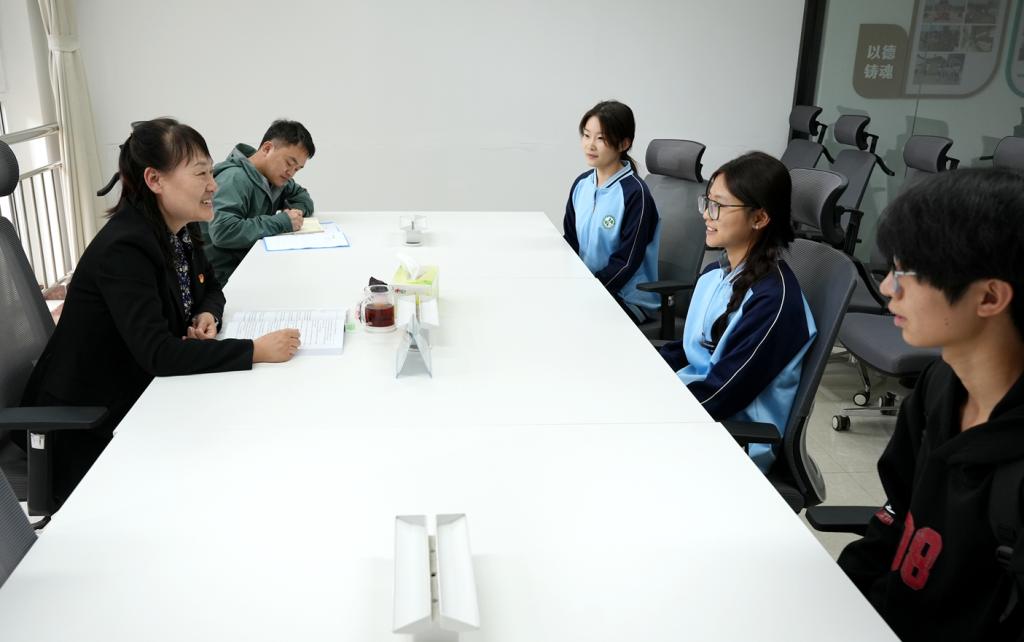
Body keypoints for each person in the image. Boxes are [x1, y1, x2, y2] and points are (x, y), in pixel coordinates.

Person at [19, 118, 300, 506]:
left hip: (144, 397)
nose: (214, 185)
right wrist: (254, 350)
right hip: (89, 425)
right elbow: (159, 354)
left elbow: (211, 287)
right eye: (200, 173)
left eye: (210, 172)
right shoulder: (126, 249)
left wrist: (207, 315)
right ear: (155, 180)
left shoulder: (178, 228)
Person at [837, 168, 1024, 641]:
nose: (887, 288)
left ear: (989, 296)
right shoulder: (939, 385)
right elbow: (895, 518)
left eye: (907, 273)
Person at [657, 151, 816, 473]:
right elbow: (690, 351)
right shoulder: (715, 275)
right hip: (697, 411)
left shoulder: (774, 302)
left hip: (732, 439)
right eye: (707, 202)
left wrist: (652, 410)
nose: (707, 214)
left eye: (718, 205)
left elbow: (722, 394)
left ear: (759, 218)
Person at [563, 100, 660, 323]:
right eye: (586, 135)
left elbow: (626, 262)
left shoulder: (635, 194)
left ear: (624, 143)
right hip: (590, 290)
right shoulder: (581, 185)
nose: (590, 145)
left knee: (567, 321)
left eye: (601, 138)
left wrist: (590, 290)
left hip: (627, 297)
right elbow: (570, 243)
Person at [202, 119, 316, 283]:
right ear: (267, 148)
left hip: (252, 267)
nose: (291, 172)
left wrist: (295, 213)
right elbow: (223, 231)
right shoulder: (234, 178)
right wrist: (282, 222)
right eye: (289, 163)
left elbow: (302, 197)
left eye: (297, 169)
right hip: (224, 281)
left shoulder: (274, 179)